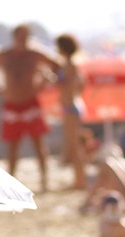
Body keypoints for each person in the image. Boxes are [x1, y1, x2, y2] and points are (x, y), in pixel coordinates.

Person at [0, 24, 60, 192]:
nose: (23, 39)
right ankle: (11, 178)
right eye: (21, 36)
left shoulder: (35, 54)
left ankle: (44, 180)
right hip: (12, 103)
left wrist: (44, 81)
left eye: (26, 36)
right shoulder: (5, 55)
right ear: (15, 36)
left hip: (31, 102)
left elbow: (56, 65)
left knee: (38, 142)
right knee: (12, 144)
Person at [53, 33, 88, 190]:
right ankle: (79, 179)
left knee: (74, 146)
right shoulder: (73, 64)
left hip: (71, 108)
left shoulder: (70, 64)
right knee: (73, 145)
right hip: (73, 106)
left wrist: (51, 79)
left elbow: (67, 84)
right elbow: (81, 84)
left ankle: (80, 181)